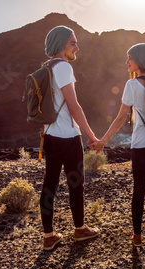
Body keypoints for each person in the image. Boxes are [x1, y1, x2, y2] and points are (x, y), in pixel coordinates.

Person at [91, 43, 145, 249]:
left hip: (141, 143)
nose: (127, 62)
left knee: (139, 188)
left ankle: (137, 236)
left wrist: (103, 141)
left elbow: (120, 118)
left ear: (140, 60)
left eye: (130, 58)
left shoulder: (132, 85)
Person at [40, 25, 100, 250]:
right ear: (62, 44)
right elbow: (74, 106)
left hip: (49, 135)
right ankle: (80, 229)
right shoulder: (63, 67)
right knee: (76, 185)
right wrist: (91, 135)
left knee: (50, 185)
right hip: (68, 136)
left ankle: (48, 237)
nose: (77, 46)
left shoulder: (46, 68)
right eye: (73, 42)